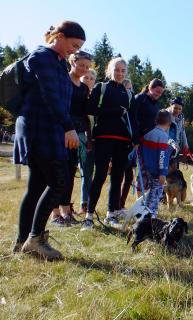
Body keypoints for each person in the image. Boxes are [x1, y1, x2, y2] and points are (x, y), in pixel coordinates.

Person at [12, 21, 86, 260]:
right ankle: (35, 238)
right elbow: (50, 96)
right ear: (60, 36)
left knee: (36, 188)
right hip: (39, 129)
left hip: (47, 130)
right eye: (73, 45)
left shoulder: (58, 62)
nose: (74, 50)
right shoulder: (42, 57)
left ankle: (22, 242)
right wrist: (68, 127)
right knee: (58, 182)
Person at [82, 57, 138, 230]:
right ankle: (89, 216)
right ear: (109, 70)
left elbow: (133, 118)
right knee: (99, 176)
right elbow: (90, 109)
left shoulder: (128, 94)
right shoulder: (101, 87)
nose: (120, 73)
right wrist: (112, 112)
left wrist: (134, 139)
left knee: (117, 178)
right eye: (117, 70)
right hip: (104, 138)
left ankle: (111, 214)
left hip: (123, 142)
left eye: (123, 70)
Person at [50, 50, 93, 227]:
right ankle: (54, 215)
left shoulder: (83, 88)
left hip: (77, 135)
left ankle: (66, 212)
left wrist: (89, 136)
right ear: (72, 62)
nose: (84, 69)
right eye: (81, 65)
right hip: (60, 132)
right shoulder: (62, 81)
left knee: (69, 173)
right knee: (57, 173)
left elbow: (85, 114)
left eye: (87, 67)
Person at [134, 78, 165, 196]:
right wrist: (135, 138)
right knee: (141, 171)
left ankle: (145, 199)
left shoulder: (155, 104)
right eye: (157, 91)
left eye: (160, 93)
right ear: (150, 88)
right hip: (138, 140)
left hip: (149, 142)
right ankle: (139, 199)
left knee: (147, 170)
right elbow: (133, 118)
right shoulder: (140, 98)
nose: (158, 95)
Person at [140, 110, 172, 218]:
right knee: (155, 196)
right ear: (169, 124)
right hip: (157, 172)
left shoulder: (147, 134)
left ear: (155, 121)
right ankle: (151, 218)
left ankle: (144, 214)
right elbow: (162, 155)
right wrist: (163, 173)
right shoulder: (163, 136)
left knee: (148, 195)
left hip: (145, 169)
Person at [78, 68, 97, 215]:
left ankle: (89, 204)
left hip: (96, 141)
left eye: (91, 78)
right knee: (85, 173)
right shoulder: (78, 96)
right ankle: (83, 205)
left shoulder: (96, 98)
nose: (89, 80)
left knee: (90, 174)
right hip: (81, 139)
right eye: (86, 77)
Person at [119, 78, 135, 209]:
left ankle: (121, 204)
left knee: (129, 176)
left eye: (131, 89)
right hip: (120, 144)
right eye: (127, 88)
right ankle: (114, 205)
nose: (129, 91)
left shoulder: (132, 105)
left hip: (131, 145)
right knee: (118, 176)